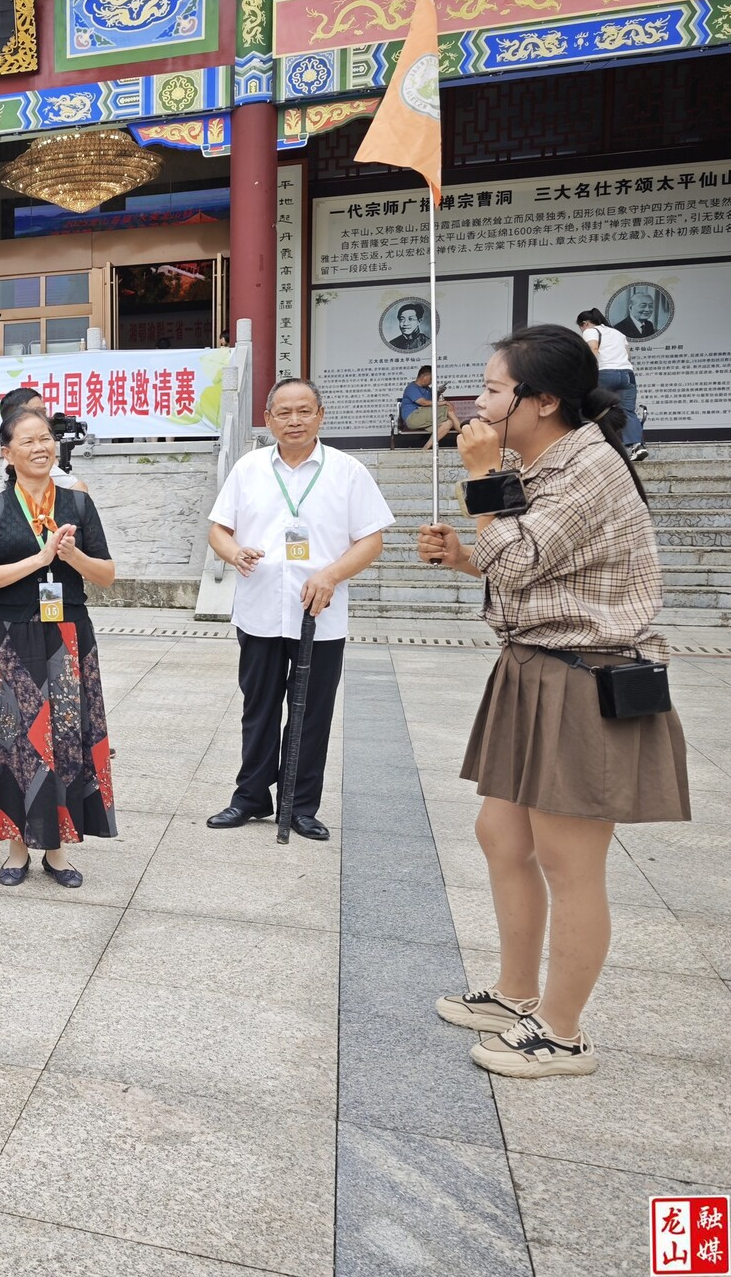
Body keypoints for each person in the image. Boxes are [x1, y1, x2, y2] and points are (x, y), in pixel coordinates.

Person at [418, 327, 687, 1079]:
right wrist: (463, 556)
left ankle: (564, 1034)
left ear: (543, 401)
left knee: (571, 862)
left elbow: (520, 558)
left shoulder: (588, 466)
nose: (479, 403)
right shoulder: (536, 462)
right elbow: (523, 566)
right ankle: (516, 993)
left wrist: (480, 482)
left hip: (586, 673)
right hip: (535, 665)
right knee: (502, 836)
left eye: (494, 390)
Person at [205, 378, 393, 841]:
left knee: (312, 713)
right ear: (268, 419)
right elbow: (218, 530)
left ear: (320, 416)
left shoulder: (347, 471)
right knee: (259, 709)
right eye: (284, 412)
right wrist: (234, 552)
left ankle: (301, 806)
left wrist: (331, 575)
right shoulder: (248, 468)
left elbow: (371, 540)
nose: (294, 420)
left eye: (304, 411)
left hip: (320, 614)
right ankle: (250, 797)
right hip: (259, 612)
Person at [0, 408, 120, 886]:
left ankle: (57, 850)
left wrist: (73, 556)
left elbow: (107, 575)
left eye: (46, 438)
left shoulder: (77, 502)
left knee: (64, 739)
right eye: (28, 441)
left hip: (67, 634)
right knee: (12, 741)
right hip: (9, 637)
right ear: (7, 453)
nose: (40, 448)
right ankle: (16, 849)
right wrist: (41, 558)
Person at [576, 308, 646, 461]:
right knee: (628, 412)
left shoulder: (590, 331)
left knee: (593, 409)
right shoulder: (618, 333)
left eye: (580, 327)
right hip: (627, 375)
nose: (582, 330)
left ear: (585, 323)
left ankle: (595, 447)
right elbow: (628, 355)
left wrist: (590, 370)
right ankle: (637, 446)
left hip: (605, 373)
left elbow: (593, 349)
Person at [0, 387, 85, 490]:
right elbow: (80, 489)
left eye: (45, 439)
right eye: (28, 442)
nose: (44, 419)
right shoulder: (24, 463)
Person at [399, 365, 460, 449]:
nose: (431, 382)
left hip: (423, 417)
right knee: (446, 407)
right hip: (413, 417)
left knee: (448, 423)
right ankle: (463, 432)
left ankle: (426, 448)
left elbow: (432, 403)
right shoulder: (412, 387)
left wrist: (439, 393)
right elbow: (424, 403)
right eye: (431, 379)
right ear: (424, 376)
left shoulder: (427, 389)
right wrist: (444, 402)